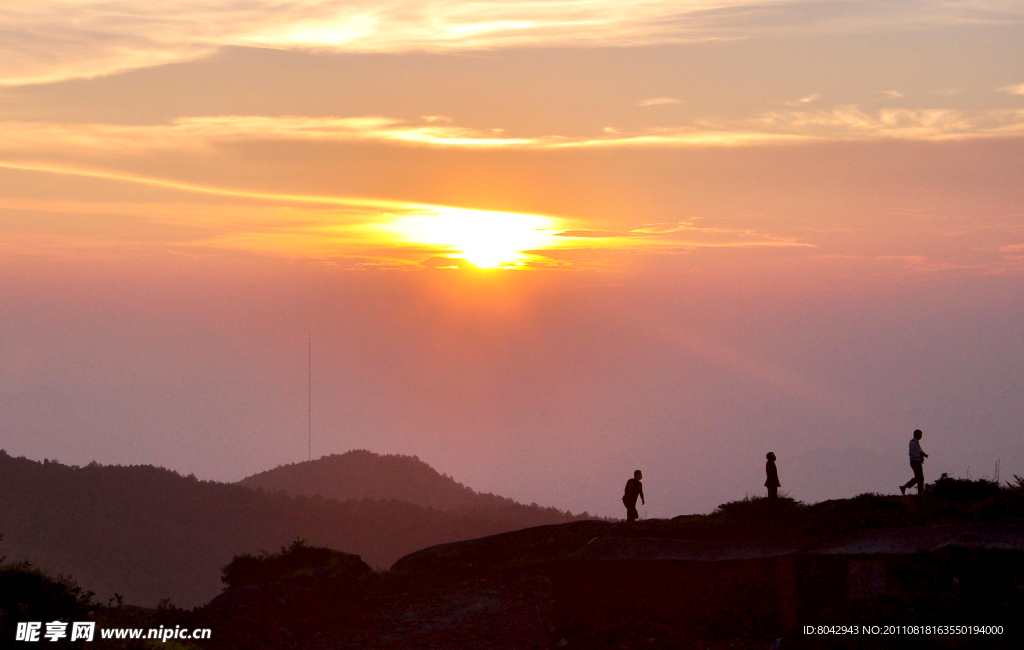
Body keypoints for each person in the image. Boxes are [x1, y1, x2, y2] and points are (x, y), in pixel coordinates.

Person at [900, 429, 928, 495]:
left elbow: (918, 452)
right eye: (920, 435)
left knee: (920, 478)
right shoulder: (912, 443)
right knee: (919, 478)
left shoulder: (916, 443)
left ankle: (919, 492)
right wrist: (920, 456)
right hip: (914, 462)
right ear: (916, 435)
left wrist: (923, 455)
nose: (921, 436)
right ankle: (919, 492)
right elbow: (911, 453)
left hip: (918, 462)